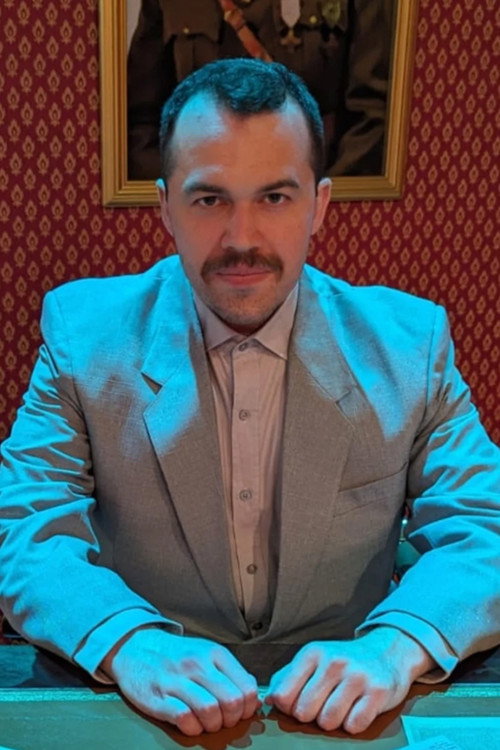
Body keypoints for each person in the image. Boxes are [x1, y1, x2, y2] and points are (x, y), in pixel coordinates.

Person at [0, 59, 499, 738]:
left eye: (275, 198)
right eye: (209, 199)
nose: (241, 238)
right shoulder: (83, 336)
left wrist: (396, 646)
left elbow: (486, 526)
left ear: (319, 205)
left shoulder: (411, 345)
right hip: (146, 707)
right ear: (165, 207)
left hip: (349, 709)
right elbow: (24, 528)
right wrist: (129, 643)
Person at [127, 0, 393, 179]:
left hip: (312, 189)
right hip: (202, 194)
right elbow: (142, 120)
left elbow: (372, 110)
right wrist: (181, 201)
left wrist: (321, 205)